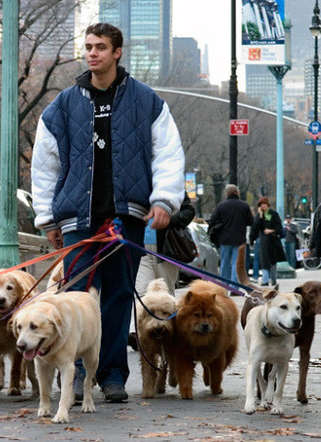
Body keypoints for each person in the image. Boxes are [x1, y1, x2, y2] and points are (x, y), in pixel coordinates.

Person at [31, 23, 185, 403]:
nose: (92, 53)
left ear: (117, 52)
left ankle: (113, 374)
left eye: (100, 47)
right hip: (76, 221)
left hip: (125, 218)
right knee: (75, 296)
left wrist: (164, 200)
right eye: (87, 47)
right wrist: (47, 218)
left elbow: (168, 153)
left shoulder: (147, 101)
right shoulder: (63, 105)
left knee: (118, 295)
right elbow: (44, 164)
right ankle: (79, 371)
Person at [134, 192, 195, 297]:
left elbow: (189, 211)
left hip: (167, 248)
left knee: (166, 293)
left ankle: (167, 313)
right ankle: (144, 313)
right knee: (142, 293)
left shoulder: (170, 182)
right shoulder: (140, 183)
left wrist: (168, 219)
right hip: (140, 247)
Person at [208, 184, 254, 283]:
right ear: (237, 192)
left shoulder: (221, 206)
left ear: (226, 194)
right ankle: (234, 287)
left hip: (224, 239)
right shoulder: (244, 205)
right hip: (239, 240)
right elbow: (250, 221)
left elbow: (212, 220)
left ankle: (224, 286)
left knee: (224, 263)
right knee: (236, 264)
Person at [250, 196, 284, 286]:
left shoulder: (273, 214)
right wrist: (260, 216)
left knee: (273, 260)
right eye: (261, 205)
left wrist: (271, 230)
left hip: (273, 240)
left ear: (268, 204)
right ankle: (265, 280)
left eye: (264, 204)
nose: (263, 206)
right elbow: (256, 227)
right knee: (264, 260)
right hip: (264, 240)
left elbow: (279, 226)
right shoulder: (259, 215)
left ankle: (273, 279)